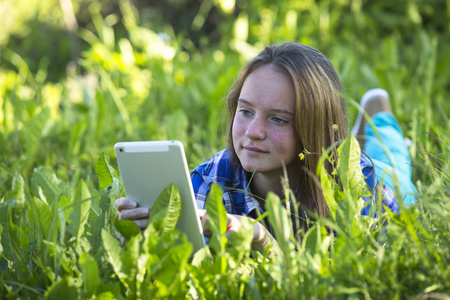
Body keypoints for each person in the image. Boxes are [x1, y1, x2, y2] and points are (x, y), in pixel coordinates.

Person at [115, 42, 417, 253]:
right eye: (245, 112)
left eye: (278, 119)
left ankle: (380, 119)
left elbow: (357, 277)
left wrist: (261, 240)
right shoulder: (210, 181)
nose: (253, 132)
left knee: (400, 175)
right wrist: (143, 240)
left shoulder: (358, 185)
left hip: (386, 182)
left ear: (314, 129)